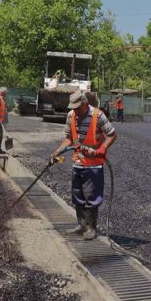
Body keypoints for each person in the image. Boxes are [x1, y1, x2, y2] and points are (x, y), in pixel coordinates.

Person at [51, 90, 116, 240]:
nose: (75, 111)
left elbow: (112, 134)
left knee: (91, 197)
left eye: (78, 108)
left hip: (93, 165)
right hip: (78, 162)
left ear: (85, 104)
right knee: (78, 195)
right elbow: (69, 139)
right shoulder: (71, 116)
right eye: (73, 108)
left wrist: (101, 149)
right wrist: (57, 152)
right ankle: (81, 225)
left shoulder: (98, 116)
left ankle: (91, 228)